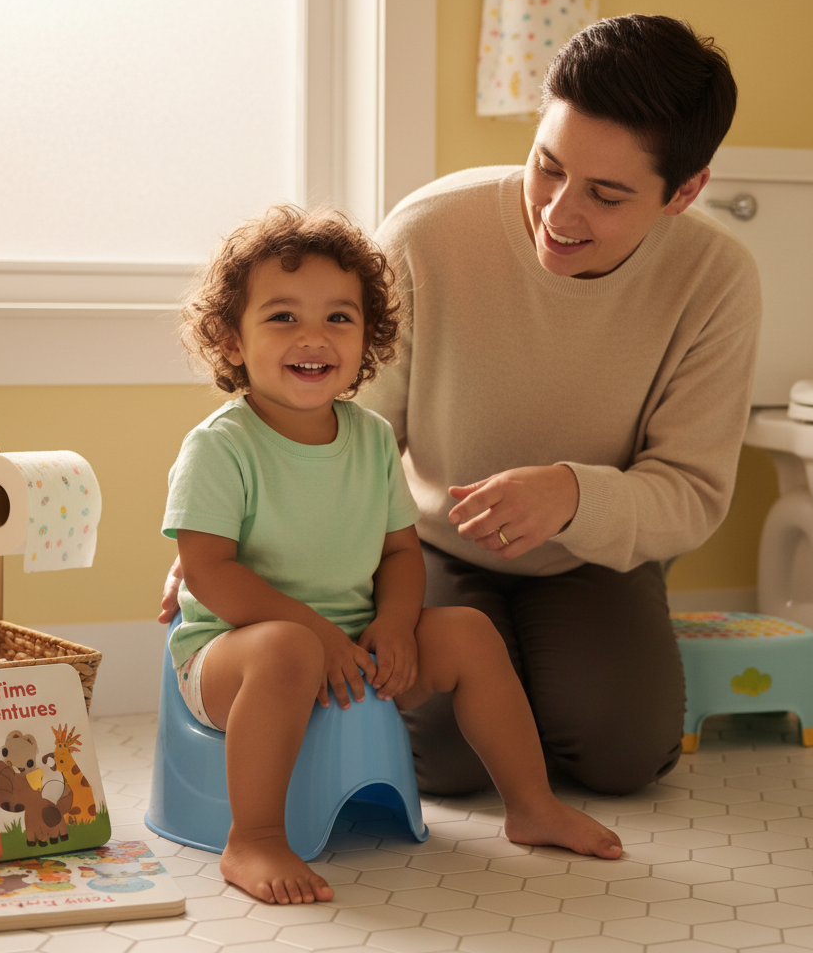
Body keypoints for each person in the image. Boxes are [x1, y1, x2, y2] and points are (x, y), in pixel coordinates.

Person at [160, 206, 623, 906]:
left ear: (369, 338)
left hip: (348, 641)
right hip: (235, 654)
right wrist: (316, 636)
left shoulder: (372, 438)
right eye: (283, 317)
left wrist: (398, 624)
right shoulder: (221, 447)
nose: (313, 337)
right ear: (232, 338)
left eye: (339, 318)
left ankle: (531, 805)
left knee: (467, 631)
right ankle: (253, 837)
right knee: (286, 648)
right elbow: (209, 573)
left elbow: (401, 552)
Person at [353, 14, 761, 796]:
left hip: (593, 555)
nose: (559, 213)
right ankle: (518, 683)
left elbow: (693, 489)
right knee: (443, 760)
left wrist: (573, 495)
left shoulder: (716, 280)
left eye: (606, 195)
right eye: (548, 167)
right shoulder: (428, 233)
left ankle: (554, 675)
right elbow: (349, 432)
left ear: (685, 191)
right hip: (427, 547)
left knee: (621, 757)